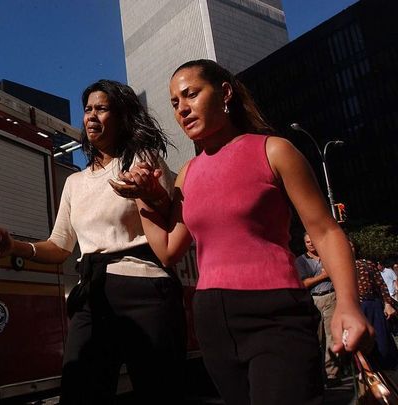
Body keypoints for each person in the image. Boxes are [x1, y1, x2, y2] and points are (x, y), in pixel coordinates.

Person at [113, 59, 372, 405]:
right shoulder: (187, 173)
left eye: (191, 94)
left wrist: (348, 305)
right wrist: (143, 197)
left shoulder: (274, 150)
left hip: (276, 314)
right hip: (212, 320)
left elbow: (325, 232)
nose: (182, 109)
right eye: (175, 102)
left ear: (224, 93)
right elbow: (167, 252)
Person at [0, 79, 187, 404]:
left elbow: (174, 216)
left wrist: (152, 193)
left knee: (159, 392)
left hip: (145, 291)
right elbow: (59, 246)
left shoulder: (142, 160)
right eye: (87, 109)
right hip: (91, 294)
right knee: (79, 392)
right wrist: (13, 246)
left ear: (121, 116)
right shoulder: (75, 182)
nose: (91, 116)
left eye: (101, 108)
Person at [295, 232, 340, 386]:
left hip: (331, 296)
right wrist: (323, 276)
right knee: (316, 337)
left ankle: (331, 374)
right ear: (305, 244)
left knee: (331, 337)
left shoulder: (328, 255)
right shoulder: (301, 261)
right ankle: (315, 375)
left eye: (312, 241)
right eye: (308, 242)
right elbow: (304, 283)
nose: (311, 244)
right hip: (313, 299)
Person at [352, 247, 398, 369]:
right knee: (361, 344)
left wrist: (387, 304)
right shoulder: (336, 266)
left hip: (372, 304)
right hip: (353, 307)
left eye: (351, 246)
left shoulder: (366, 264)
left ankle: (389, 371)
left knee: (382, 341)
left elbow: (381, 285)